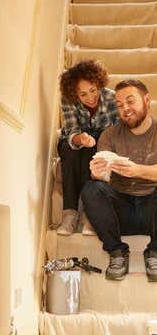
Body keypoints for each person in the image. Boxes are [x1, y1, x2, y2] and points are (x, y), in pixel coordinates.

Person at [82, 79, 157, 282]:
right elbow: (103, 179)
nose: (125, 109)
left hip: (153, 212)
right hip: (120, 213)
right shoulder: (109, 135)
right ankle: (116, 252)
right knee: (92, 189)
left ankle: (154, 253)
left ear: (147, 100)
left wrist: (137, 171)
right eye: (119, 104)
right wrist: (98, 173)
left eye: (130, 101)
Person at [57, 60, 119, 236]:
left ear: (99, 83)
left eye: (93, 90)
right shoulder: (67, 100)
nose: (91, 98)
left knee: (93, 153)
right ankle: (69, 214)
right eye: (83, 94)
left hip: (103, 140)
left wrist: (102, 144)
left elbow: (119, 133)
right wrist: (80, 139)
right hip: (76, 139)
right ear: (74, 94)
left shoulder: (111, 98)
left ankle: (89, 215)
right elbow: (70, 132)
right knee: (69, 150)